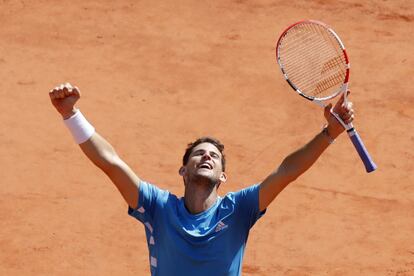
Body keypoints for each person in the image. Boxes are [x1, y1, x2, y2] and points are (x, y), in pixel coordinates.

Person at [49, 82, 354, 276]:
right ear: (183, 171)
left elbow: (285, 172)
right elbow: (112, 164)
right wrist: (71, 115)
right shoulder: (158, 207)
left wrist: (330, 133)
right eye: (198, 154)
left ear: (223, 175)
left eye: (214, 156)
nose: (206, 156)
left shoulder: (238, 209)